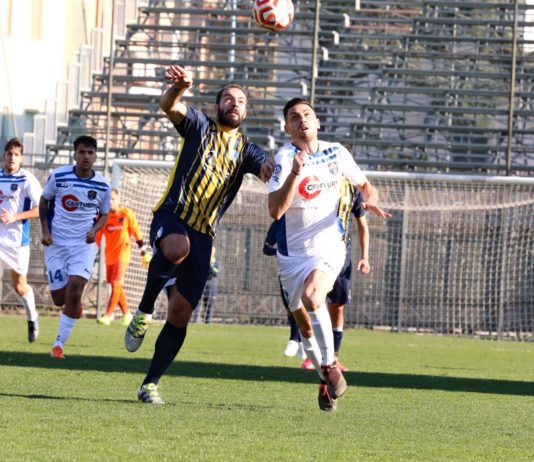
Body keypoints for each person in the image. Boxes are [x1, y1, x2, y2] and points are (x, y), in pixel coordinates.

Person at [124, 64, 273, 404]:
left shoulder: (247, 149)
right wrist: (180, 87)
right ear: (217, 105)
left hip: (205, 234)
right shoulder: (200, 125)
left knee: (180, 313)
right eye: (228, 99)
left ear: (246, 111)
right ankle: (143, 312)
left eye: (241, 101)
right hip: (173, 215)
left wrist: (276, 169)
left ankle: (150, 384)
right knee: (177, 246)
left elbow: (266, 167)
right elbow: (169, 106)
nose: (234, 104)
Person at [268, 97, 390, 411]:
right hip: (292, 257)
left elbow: (367, 186)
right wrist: (294, 175)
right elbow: (275, 211)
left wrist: (371, 200)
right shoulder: (284, 159)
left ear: (317, 122)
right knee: (304, 327)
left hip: (330, 247)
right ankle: (325, 378)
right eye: (294, 116)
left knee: (313, 297)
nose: (302, 120)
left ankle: (330, 362)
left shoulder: (337, 152)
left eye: (307, 114)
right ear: (287, 127)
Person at [40, 135, 111, 359]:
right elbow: (44, 201)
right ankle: (74, 305)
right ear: (74, 155)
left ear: (96, 156)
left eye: (90, 152)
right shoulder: (59, 176)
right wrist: (45, 231)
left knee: (76, 289)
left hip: (83, 245)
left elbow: (105, 214)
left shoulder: (103, 185)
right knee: (59, 299)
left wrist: (95, 230)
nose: (86, 157)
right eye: (82, 152)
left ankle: (58, 345)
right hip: (56, 244)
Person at [300, 182, 370, 372]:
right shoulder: (318, 183)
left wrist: (365, 257)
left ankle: (334, 357)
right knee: (311, 301)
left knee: (337, 307)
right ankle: (312, 354)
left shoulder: (352, 190)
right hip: (315, 253)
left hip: (341, 256)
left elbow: (362, 224)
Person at [0, 138, 43, 342]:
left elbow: (41, 208)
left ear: (21, 158)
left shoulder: (27, 179)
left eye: (16, 154)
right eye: (9, 153)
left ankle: (32, 318)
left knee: (20, 287)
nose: (12, 157)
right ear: (4, 155)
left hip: (17, 242)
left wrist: (15, 216)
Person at [95, 188, 147, 326]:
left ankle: (108, 315)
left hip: (123, 254)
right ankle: (127, 314)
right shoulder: (103, 218)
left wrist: (143, 251)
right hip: (109, 256)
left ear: (118, 199)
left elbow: (136, 231)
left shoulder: (126, 213)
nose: (110, 202)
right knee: (116, 286)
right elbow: (97, 237)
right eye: (108, 199)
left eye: (113, 199)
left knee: (116, 283)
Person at [262, 220, 305, 360]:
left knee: (303, 304)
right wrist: (280, 252)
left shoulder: (306, 221)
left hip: (305, 267)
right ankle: (298, 341)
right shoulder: (278, 223)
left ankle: (297, 340)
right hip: (286, 270)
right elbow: (266, 248)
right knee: (290, 306)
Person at [193, 246, 220, 324]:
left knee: (209, 304)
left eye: (211, 251)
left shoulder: (216, 263)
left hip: (211, 285)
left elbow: (216, 273)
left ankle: (207, 321)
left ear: (214, 253)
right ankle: (194, 320)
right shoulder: (202, 260)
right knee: (197, 302)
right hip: (201, 283)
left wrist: (210, 265)